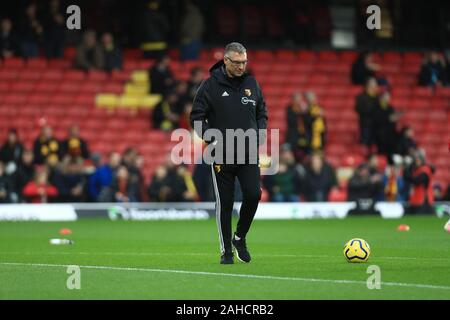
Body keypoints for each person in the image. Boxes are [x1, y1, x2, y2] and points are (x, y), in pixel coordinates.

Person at [190, 42, 268, 264]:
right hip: (221, 154)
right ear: (225, 61)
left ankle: (239, 237)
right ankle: (225, 251)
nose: (241, 66)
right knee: (225, 202)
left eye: (244, 62)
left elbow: (262, 110)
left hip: (248, 151)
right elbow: (196, 118)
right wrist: (212, 136)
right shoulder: (210, 86)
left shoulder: (252, 83)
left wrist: (261, 131)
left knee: (254, 194)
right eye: (237, 62)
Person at [285, 92, 313, 163]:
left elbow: (309, 122)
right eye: (297, 99)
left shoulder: (306, 110)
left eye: (300, 99)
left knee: (307, 153)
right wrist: (299, 112)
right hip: (293, 137)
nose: (299, 101)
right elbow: (291, 121)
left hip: (304, 136)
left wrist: (305, 112)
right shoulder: (289, 109)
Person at [355, 77, 379, 154]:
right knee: (365, 145)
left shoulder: (377, 97)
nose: (375, 86)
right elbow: (358, 109)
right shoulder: (361, 97)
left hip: (376, 126)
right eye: (373, 84)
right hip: (366, 125)